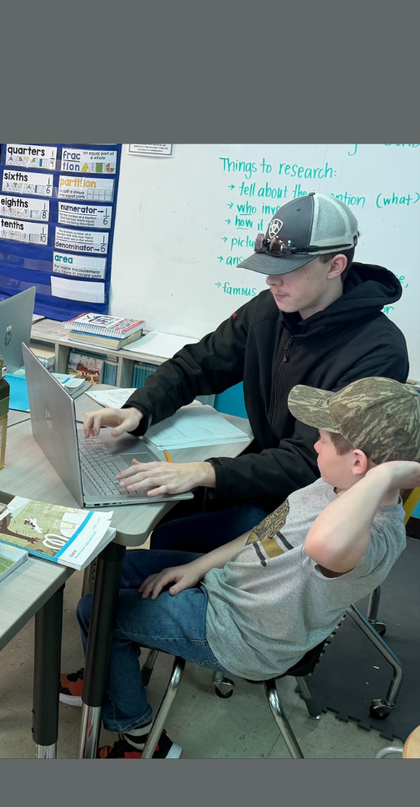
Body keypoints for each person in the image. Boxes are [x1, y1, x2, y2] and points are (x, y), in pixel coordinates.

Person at [64, 376, 420, 758]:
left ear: (358, 463)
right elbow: (263, 533)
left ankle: (137, 736)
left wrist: (385, 474)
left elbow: (322, 545)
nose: (314, 445)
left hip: (240, 635)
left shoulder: (374, 539)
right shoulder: (331, 484)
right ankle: (108, 676)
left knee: (96, 612)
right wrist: (199, 566)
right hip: (226, 587)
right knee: (115, 571)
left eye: (323, 439)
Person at [82, 193, 409, 554]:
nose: (271, 280)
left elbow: (310, 463)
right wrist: (139, 409)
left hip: (318, 505)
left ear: (334, 266)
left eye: (287, 270)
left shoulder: (377, 351)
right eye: (270, 267)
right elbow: (198, 363)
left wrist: (208, 471)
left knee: (172, 536)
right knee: (168, 516)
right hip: (269, 474)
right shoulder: (270, 310)